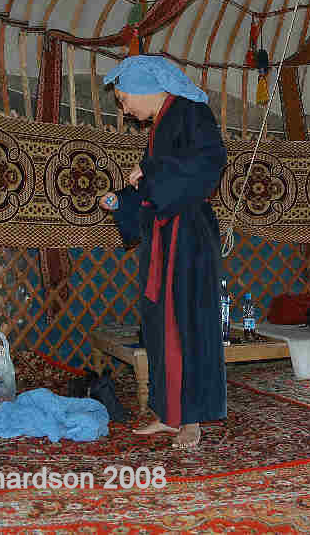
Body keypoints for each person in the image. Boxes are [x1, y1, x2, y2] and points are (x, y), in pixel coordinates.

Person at [98, 55, 227, 449]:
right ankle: (169, 414)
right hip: (165, 238)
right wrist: (121, 201)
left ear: (144, 87)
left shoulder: (191, 112)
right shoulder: (161, 125)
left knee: (185, 322)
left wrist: (150, 173)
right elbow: (155, 192)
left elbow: (210, 162)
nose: (124, 109)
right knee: (160, 325)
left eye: (123, 100)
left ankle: (191, 419)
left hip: (187, 238)